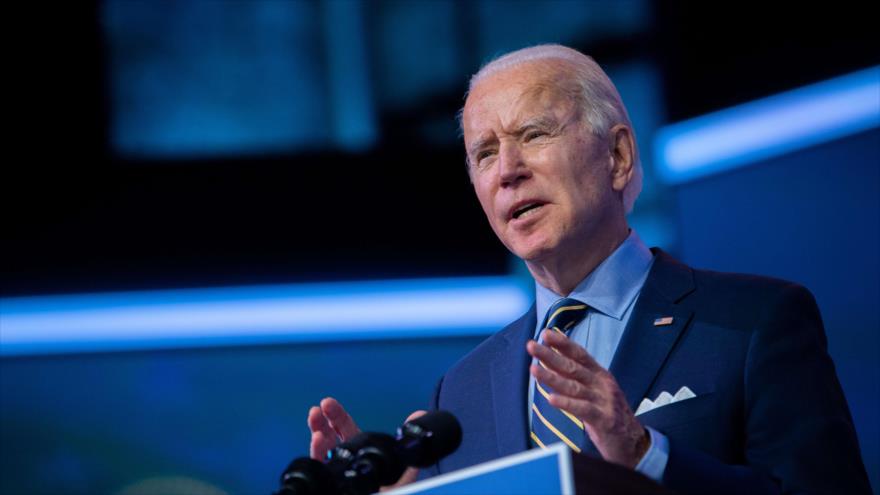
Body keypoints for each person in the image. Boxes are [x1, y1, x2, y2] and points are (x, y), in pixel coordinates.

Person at [307, 44, 871, 494]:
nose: (508, 171)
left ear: (618, 156)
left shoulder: (754, 324)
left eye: (534, 134)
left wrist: (643, 453)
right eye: (484, 153)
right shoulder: (460, 392)